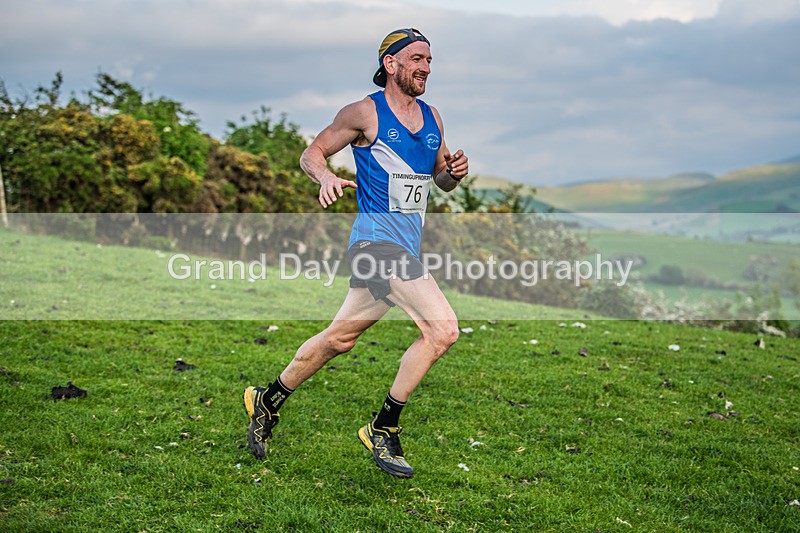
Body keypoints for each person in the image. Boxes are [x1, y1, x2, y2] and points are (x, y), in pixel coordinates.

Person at [243, 28, 469, 479]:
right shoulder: (365, 112)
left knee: (339, 339)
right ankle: (383, 427)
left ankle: (266, 400)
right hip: (374, 242)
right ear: (391, 63)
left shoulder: (433, 118)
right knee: (442, 330)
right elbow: (312, 153)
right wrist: (325, 176)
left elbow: (439, 180)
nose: (426, 67)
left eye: (430, 59)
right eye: (417, 58)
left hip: (403, 245)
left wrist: (454, 174)